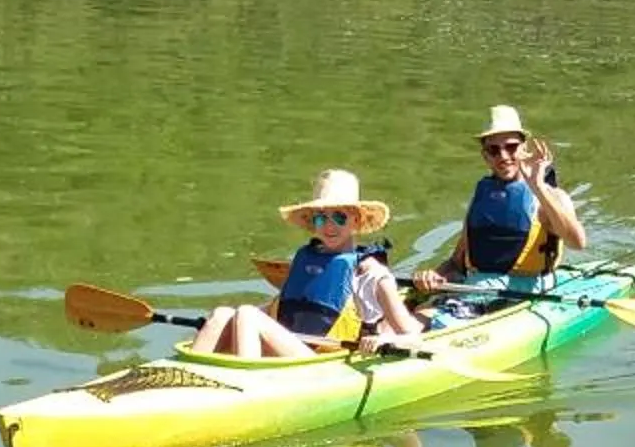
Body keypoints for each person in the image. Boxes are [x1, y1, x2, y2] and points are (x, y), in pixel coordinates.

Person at [188, 169, 430, 360]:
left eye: (339, 216)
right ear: (312, 222)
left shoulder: (373, 274)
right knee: (222, 314)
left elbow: (411, 334)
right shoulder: (306, 259)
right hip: (291, 348)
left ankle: (245, 389)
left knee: (248, 315)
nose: (329, 225)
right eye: (320, 217)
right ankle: (185, 377)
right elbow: (289, 310)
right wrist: (232, 319)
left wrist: (384, 341)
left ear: (356, 220)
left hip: (322, 361)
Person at [411, 104, 587, 296]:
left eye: (511, 147)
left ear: (524, 148)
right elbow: (456, 264)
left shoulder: (552, 196)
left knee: (426, 321)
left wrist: (537, 187)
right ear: (485, 156)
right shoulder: (482, 196)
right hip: (475, 288)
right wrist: (433, 276)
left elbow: (577, 242)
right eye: (494, 150)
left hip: (525, 294)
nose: (503, 156)